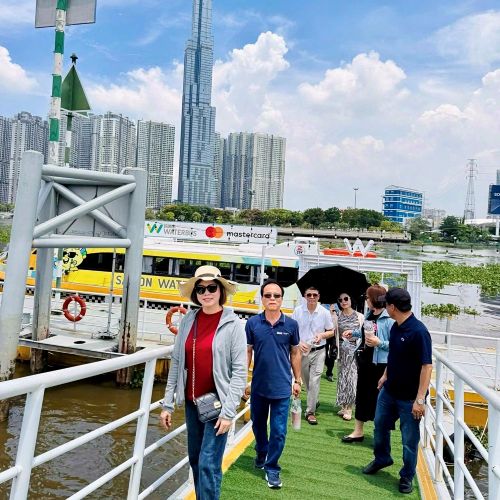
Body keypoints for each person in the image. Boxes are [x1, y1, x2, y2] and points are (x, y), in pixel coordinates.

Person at [160, 265, 247, 500]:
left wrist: (229, 412)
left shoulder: (233, 324)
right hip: (193, 402)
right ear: (195, 293)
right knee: (196, 460)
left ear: (221, 290)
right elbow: (177, 361)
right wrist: (168, 404)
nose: (206, 293)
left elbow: (240, 371)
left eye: (211, 288)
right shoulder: (189, 320)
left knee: (208, 462)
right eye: (200, 289)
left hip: (218, 404)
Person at [362, 288, 433, 495]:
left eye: (386, 304)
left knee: (409, 440)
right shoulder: (395, 327)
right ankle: (382, 458)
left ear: (392, 307)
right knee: (379, 425)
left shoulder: (419, 332)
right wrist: (385, 375)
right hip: (389, 391)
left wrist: (420, 400)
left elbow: (427, 367)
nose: (384, 307)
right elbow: (394, 354)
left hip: (410, 398)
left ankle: (406, 476)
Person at [246, 279, 301, 489]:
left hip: (282, 387)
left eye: (276, 295)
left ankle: (272, 467)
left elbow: (295, 353)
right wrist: (244, 380)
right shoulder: (253, 324)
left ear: (281, 299)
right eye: (268, 295)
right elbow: (248, 351)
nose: (272, 299)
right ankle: (261, 451)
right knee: (258, 425)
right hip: (259, 386)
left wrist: (298, 380)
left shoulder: (291, 325)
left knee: (279, 431)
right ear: (262, 299)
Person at [341, 285, 394, 443]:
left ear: (374, 299)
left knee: (380, 400)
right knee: (362, 396)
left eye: (367, 297)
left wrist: (379, 343)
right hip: (365, 362)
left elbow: (396, 344)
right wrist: (354, 333)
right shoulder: (369, 315)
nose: (365, 299)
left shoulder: (389, 319)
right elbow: (365, 333)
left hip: (381, 366)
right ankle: (358, 431)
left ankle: (381, 435)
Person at [292, 286, 334, 425]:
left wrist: (321, 335)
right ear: (305, 296)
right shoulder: (298, 311)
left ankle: (310, 412)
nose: (311, 297)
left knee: (314, 381)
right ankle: (314, 400)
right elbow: (292, 331)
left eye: (314, 295)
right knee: (306, 380)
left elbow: (331, 331)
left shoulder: (324, 313)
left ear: (318, 296)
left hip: (319, 351)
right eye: (309, 294)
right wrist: (299, 342)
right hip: (302, 351)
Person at [336, 292, 364, 421]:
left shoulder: (359, 316)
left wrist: (353, 334)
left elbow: (363, 333)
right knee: (342, 377)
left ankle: (349, 408)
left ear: (351, 299)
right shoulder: (337, 316)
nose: (343, 301)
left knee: (351, 377)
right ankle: (343, 405)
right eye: (340, 300)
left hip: (354, 350)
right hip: (342, 350)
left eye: (346, 298)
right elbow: (334, 333)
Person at [325, 303, 339, 382]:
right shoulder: (324, 308)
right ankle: (327, 363)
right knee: (324, 353)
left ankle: (329, 373)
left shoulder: (337, 310)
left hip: (333, 335)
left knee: (333, 354)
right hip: (324, 334)